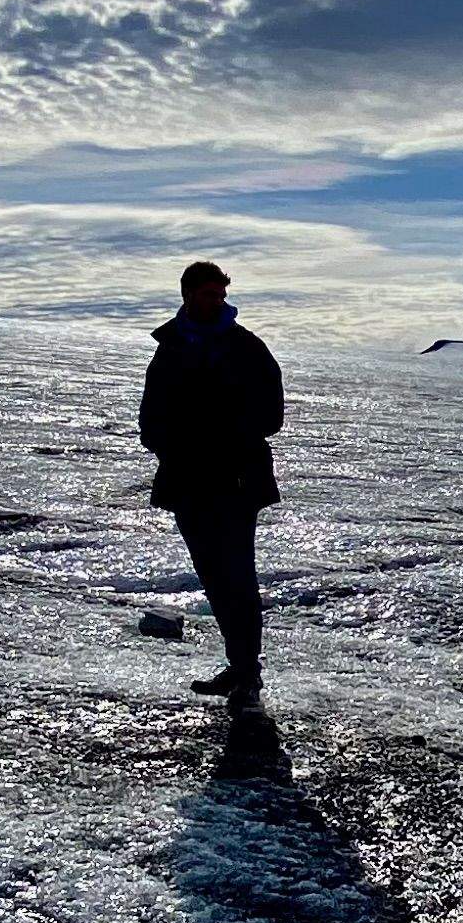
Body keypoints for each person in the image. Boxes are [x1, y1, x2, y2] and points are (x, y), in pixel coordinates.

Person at [139, 260, 283, 707]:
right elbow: (151, 416)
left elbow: (271, 415)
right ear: (187, 295)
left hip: (236, 481)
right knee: (214, 577)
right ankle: (239, 667)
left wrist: (223, 436)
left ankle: (247, 673)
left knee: (237, 575)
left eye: (221, 294)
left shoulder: (246, 347)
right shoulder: (171, 347)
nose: (216, 301)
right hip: (187, 481)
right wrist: (171, 448)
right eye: (208, 294)